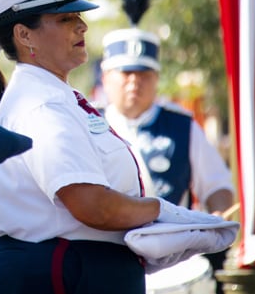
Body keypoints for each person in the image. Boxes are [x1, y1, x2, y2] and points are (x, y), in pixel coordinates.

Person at [0, 0, 223, 294]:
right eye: (65, 18)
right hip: (60, 272)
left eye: (78, 16)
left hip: (76, 269)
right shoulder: (41, 105)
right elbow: (91, 204)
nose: (82, 26)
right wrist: (161, 212)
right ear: (24, 35)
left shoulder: (56, 96)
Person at [100, 27, 235, 290]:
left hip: (173, 263)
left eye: (143, 74)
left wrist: (216, 215)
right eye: (126, 73)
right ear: (106, 78)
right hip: (107, 256)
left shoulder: (182, 126)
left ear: (157, 78)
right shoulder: (89, 124)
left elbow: (218, 184)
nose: (134, 82)